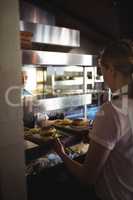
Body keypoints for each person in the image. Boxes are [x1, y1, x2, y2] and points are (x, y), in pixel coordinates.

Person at [54, 39, 133, 200]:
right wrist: (96, 138)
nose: (103, 78)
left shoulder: (112, 111)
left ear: (112, 70)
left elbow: (86, 178)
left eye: (102, 71)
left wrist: (61, 154)